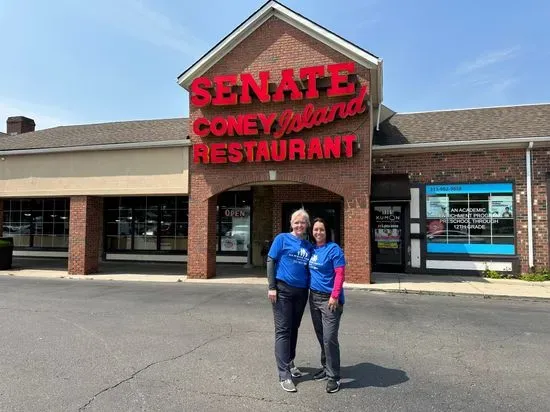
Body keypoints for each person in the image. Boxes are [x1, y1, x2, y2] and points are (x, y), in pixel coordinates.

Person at [267, 208, 313, 392]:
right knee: (283, 330)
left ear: (307, 225)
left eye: (303, 222)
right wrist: (271, 287)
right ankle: (283, 374)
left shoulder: (308, 246)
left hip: (301, 292)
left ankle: (290, 360)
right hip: (283, 290)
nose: (300, 225)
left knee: (294, 328)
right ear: (291, 224)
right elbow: (270, 261)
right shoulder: (282, 239)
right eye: (297, 222)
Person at [308, 217, 346, 393]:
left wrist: (334, 295)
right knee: (321, 335)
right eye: (315, 229)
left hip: (330, 300)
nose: (318, 232)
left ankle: (334, 377)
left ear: (327, 231)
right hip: (313, 298)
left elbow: (340, 274)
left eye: (321, 229)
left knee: (329, 338)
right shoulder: (313, 249)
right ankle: (326, 367)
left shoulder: (334, 249)